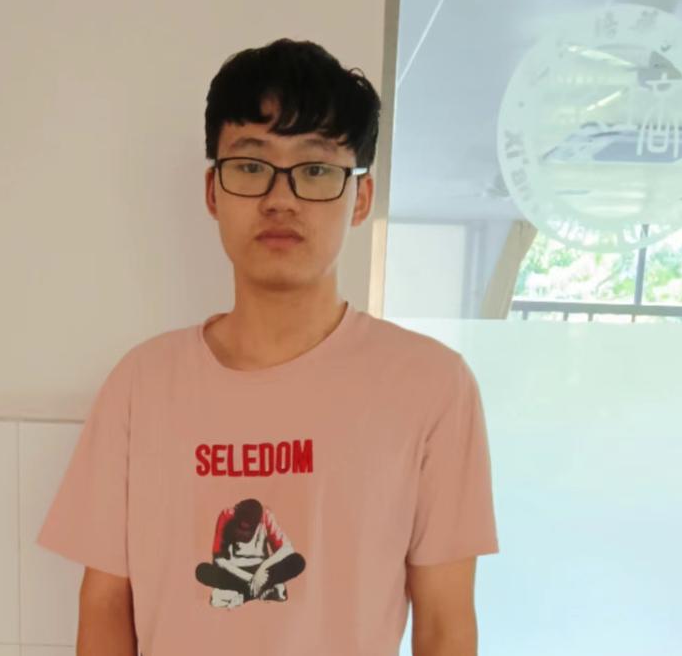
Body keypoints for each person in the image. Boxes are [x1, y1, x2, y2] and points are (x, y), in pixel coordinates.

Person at [37, 37, 499, 656]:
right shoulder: (140, 384)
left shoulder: (432, 386)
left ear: (360, 199)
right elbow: (103, 608)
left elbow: (445, 625)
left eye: (315, 170)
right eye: (252, 166)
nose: (280, 199)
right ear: (213, 191)